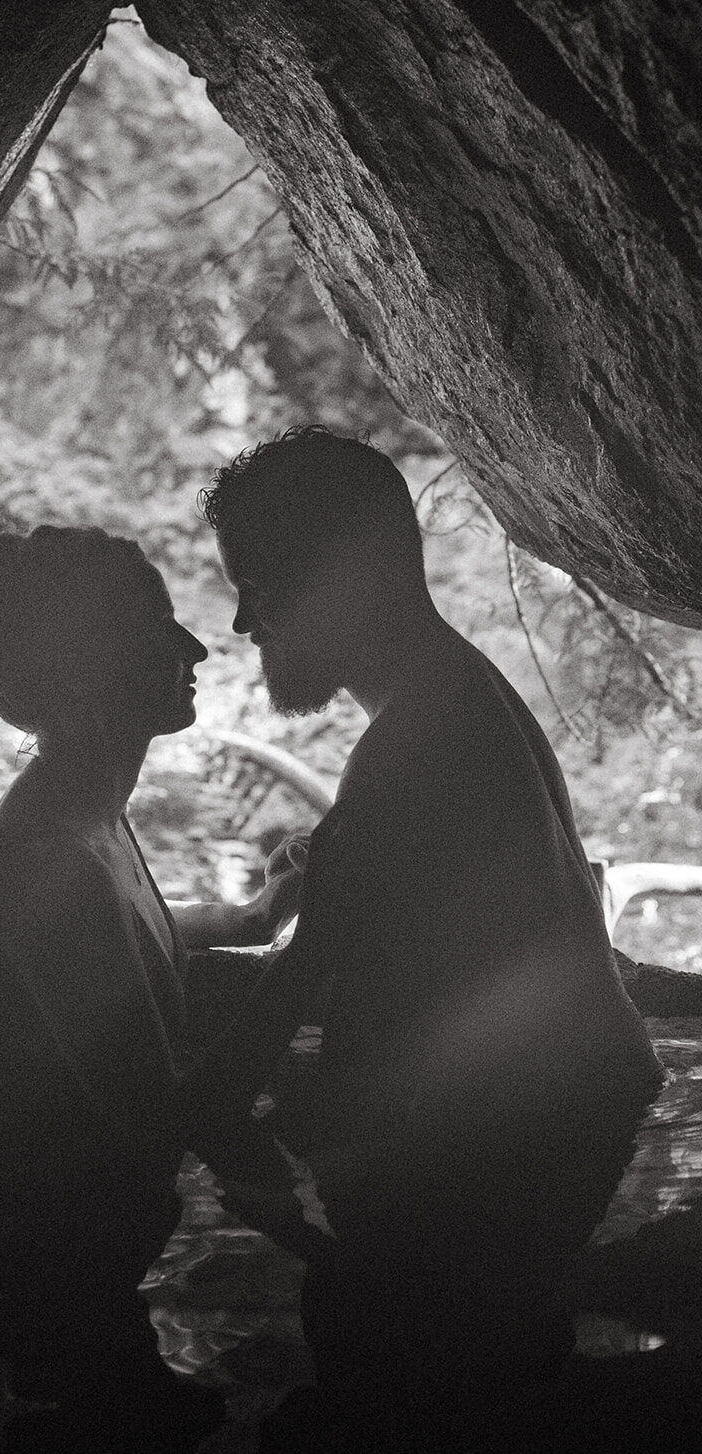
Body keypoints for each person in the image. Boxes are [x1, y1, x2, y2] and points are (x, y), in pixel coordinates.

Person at [198, 426, 666, 1450]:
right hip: (560, 1127)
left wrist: (177, 1118)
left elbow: (282, 998)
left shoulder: (420, 743)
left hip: (514, 1154)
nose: (239, 621)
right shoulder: (456, 699)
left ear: (335, 574)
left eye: (256, 582)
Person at [0, 522, 304, 1453]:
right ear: (99, 664)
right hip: (59, 1267)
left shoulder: (81, 813)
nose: (193, 646)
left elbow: (123, 937)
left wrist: (254, 917)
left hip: (73, 1246)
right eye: (160, 626)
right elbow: (169, 1109)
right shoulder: (51, 862)